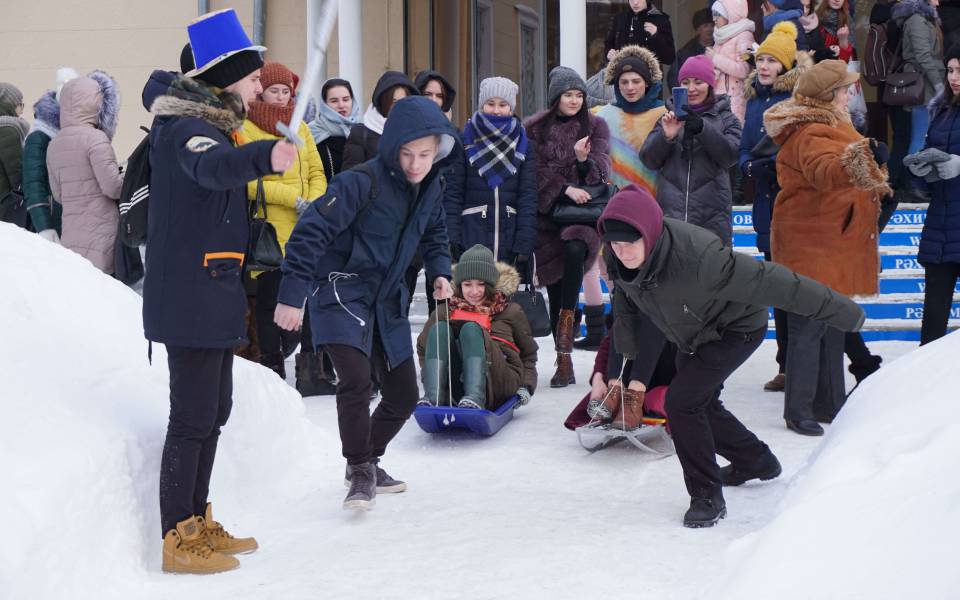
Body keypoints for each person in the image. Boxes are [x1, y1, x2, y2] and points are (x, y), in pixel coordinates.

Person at [600, 184, 866, 527]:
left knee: (682, 402)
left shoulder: (701, 259)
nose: (622, 252)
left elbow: (775, 281)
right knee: (701, 403)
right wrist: (627, 348)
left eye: (629, 243)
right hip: (692, 331)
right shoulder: (619, 258)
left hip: (736, 328)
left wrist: (842, 312)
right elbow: (626, 299)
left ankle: (706, 495)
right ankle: (754, 460)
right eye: (615, 245)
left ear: (649, 233)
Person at [144, 9, 298, 573]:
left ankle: (197, 519)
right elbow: (214, 171)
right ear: (225, 74)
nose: (260, 84)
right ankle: (176, 537)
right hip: (187, 294)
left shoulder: (214, 126)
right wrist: (265, 157)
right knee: (191, 416)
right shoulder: (186, 130)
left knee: (215, 410)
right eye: (252, 74)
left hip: (213, 291)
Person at [274, 96, 457, 511]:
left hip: (387, 298)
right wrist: (292, 294)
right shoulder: (360, 183)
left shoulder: (433, 186)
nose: (415, 164)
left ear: (438, 151)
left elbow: (435, 233)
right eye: (407, 154)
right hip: (342, 291)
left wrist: (441, 270)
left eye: (425, 154)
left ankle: (368, 457)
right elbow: (310, 232)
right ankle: (359, 468)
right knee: (356, 380)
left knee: (404, 396)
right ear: (392, 147)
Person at [764, 59, 892, 436]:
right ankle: (799, 409)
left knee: (832, 324)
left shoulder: (830, 123)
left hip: (829, 240)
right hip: (812, 241)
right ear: (829, 95)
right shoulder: (812, 131)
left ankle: (828, 403)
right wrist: (863, 156)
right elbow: (826, 171)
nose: (849, 93)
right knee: (809, 327)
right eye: (844, 89)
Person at [240, 61, 335, 395]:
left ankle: (310, 370)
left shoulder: (302, 128)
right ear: (261, 91)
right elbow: (248, 182)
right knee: (269, 302)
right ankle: (272, 366)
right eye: (274, 90)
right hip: (268, 230)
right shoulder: (247, 128)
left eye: (285, 91)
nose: (281, 97)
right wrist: (292, 197)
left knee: (309, 298)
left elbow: (316, 171)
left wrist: (315, 201)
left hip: (306, 228)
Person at [525, 67, 611, 387]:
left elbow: (602, 171)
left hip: (582, 215)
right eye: (568, 94)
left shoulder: (596, 125)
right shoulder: (535, 129)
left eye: (579, 95)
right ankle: (564, 357)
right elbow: (533, 172)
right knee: (556, 287)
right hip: (546, 216)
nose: (574, 100)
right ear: (555, 98)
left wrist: (583, 161)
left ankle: (566, 344)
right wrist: (563, 188)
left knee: (576, 251)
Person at [739, 22, 810, 391]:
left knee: (795, 288)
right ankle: (784, 365)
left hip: (794, 206)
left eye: (771, 60)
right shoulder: (752, 101)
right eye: (760, 59)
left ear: (784, 65)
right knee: (777, 288)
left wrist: (775, 164)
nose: (764, 66)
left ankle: (800, 363)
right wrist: (749, 165)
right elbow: (744, 147)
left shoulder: (797, 99)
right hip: (765, 203)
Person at [417, 244, 538, 410]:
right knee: (440, 329)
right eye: (467, 284)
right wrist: (432, 377)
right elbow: (424, 348)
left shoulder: (511, 311)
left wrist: (526, 386)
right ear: (459, 286)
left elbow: (529, 355)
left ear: (489, 285)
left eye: (481, 284)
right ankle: (435, 395)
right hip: (455, 381)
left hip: (499, 380)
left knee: (470, 329)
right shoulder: (444, 311)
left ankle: (475, 396)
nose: (474, 291)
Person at [640, 54, 742, 246]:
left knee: (710, 273)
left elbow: (731, 156)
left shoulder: (726, 118)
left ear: (710, 85)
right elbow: (648, 160)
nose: (692, 89)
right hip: (671, 217)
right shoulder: (668, 116)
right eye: (685, 82)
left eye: (698, 82)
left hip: (712, 218)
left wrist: (703, 128)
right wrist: (666, 137)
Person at [445, 77, 537, 267]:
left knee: (505, 296)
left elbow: (528, 196)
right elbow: (453, 194)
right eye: (490, 104)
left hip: (509, 238)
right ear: (481, 105)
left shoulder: (524, 145)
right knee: (472, 294)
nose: (496, 110)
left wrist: (524, 242)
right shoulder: (465, 141)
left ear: (511, 109)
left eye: (503, 105)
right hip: (470, 236)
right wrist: (451, 237)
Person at [46, 71, 123, 275]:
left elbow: (58, 195)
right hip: (102, 234)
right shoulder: (95, 139)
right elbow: (113, 188)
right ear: (96, 103)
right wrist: (128, 176)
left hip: (71, 234)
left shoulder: (54, 144)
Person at [909, 45, 960, 344]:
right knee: (933, 321)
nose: (954, 78)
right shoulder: (940, 110)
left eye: (959, 71)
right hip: (941, 228)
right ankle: (923, 385)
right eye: (950, 70)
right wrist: (924, 174)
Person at [20, 69, 78, 242]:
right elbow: (33, 182)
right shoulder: (40, 136)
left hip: (73, 222)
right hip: (52, 222)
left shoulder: (75, 134)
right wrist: (44, 226)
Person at [893, 0, 946, 154]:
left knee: (925, 137)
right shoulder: (917, 19)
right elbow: (923, 57)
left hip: (927, 83)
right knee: (920, 138)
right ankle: (913, 176)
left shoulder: (926, 18)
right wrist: (939, 85)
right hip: (924, 85)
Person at [341, 70, 419, 171]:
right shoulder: (360, 133)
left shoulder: (418, 131)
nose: (399, 106)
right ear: (383, 102)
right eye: (393, 102)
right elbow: (351, 176)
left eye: (403, 101)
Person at [709, 0, 756, 123]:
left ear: (730, 14)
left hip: (734, 98)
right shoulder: (720, 35)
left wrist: (715, 59)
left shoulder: (744, 35)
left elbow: (744, 70)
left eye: (718, 14)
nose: (714, 19)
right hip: (717, 97)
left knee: (732, 136)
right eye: (713, 14)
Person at [309, 78, 361, 181]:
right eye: (334, 101)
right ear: (324, 104)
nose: (341, 105)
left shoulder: (362, 132)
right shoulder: (311, 133)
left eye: (346, 99)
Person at [604, 0, 677, 70]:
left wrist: (656, 35)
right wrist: (609, 53)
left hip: (650, 78)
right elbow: (608, 44)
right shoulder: (620, 18)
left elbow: (669, 58)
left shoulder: (660, 19)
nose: (635, 2)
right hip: (621, 74)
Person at [0, 83, 29, 218]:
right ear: (9, 105)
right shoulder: (7, 129)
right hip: (6, 202)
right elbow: (16, 170)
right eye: (20, 104)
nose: (22, 108)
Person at [668, 8, 715, 89]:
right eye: (706, 26)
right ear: (697, 29)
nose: (710, 29)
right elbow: (674, 79)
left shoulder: (723, 47)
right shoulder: (685, 53)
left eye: (712, 25)